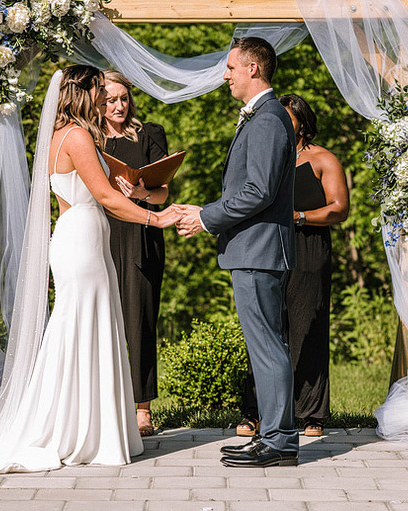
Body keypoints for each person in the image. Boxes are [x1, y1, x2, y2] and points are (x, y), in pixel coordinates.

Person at [0, 65, 179, 474]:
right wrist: (157, 219)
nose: (104, 99)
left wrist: (132, 191)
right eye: (98, 91)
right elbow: (106, 198)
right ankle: (81, 429)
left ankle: (83, 425)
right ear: (85, 92)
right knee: (81, 326)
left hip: (75, 235)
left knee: (80, 326)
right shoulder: (78, 136)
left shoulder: (58, 136)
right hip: (84, 239)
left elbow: (92, 193)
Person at [174, 37, 299, 467]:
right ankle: (273, 432)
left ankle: (281, 440)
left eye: (230, 67)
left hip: (258, 249)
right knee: (266, 345)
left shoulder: (266, 119)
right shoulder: (264, 116)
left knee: (267, 346)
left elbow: (257, 191)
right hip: (254, 249)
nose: (225, 75)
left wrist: (206, 216)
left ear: (253, 69)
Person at [237, 94, 349, 438]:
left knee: (305, 329)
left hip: (307, 247)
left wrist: (299, 217)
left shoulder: (322, 159)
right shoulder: (267, 156)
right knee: (266, 329)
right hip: (268, 246)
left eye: (288, 118)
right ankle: (254, 411)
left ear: (302, 121)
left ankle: (311, 412)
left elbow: (340, 208)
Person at [103, 69, 170, 436]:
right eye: (110, 100)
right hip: (99, 232)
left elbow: (163, 194)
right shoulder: (88, 138)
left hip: (141, 234)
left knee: (139, 320)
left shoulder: (149, 134)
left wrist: (140, 194)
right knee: (100, 318)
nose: (119, 106)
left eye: (123, 98)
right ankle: (102, 401)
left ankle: (142, 409)